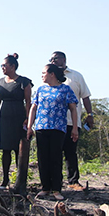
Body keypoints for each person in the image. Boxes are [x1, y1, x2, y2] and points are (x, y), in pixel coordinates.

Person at [27, 63, 79, 201]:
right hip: (41, 128)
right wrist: (29, 126)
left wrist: (74, 128)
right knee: (43, 159)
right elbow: (33, 108)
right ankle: (45, 188)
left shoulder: (65, 89)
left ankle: (56, 189)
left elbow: (73, 109)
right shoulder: (40, 90)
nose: (42, 75)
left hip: (58, 128)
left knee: (55, 158)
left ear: (52, 74)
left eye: (44, 73)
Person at [50, 51, 94, 191]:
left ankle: (73, 181)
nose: (52, 61)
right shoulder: (49, 77)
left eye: (55, 59)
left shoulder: (76, 76)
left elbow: (85, 97)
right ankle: (54, 182)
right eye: (51, 59)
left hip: (71, 121)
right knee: (54, 153)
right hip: (54, 122)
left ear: (63, 59)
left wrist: (90, 114)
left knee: (70, 152)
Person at [0, 54, 32, 189]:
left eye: (5, 65)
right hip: (5, 116)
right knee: (5, 149)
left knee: (18, 148)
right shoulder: (0, 82)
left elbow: (28, 101)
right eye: (1, 65)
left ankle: (20, 180)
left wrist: (27, 118)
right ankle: (5, 179)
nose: (2, 68)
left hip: (19, 115)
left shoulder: (24, 82)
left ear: (13, 66)